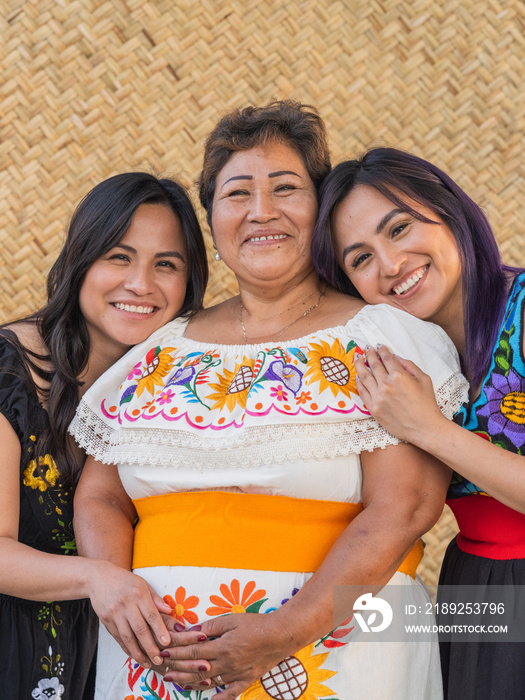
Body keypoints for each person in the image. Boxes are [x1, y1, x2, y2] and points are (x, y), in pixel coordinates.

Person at [71, 102, 468, 700]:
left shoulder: (381, 336)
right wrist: (122, 602)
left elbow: (405, 507)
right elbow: (101, 494)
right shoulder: (156, 351)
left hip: (337, 655)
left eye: (286, 188)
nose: (262, 212)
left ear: (321, 209)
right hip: (157, 667)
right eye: (237, 194)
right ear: (212, 218)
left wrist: (285, 631)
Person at [311, 146, 525, 700]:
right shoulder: (399, 364)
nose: (390, 265)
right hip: (477, 596)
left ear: (448, 210)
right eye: (360, 258)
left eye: (400, 228)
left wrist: (430, 429)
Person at [0, 171, 208, 699]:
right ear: (80, 261)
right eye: (119, 256)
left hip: (111, 665)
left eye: (166, 265)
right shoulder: (11, 371)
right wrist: (97, 577)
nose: (141, 283)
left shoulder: (176, 391)